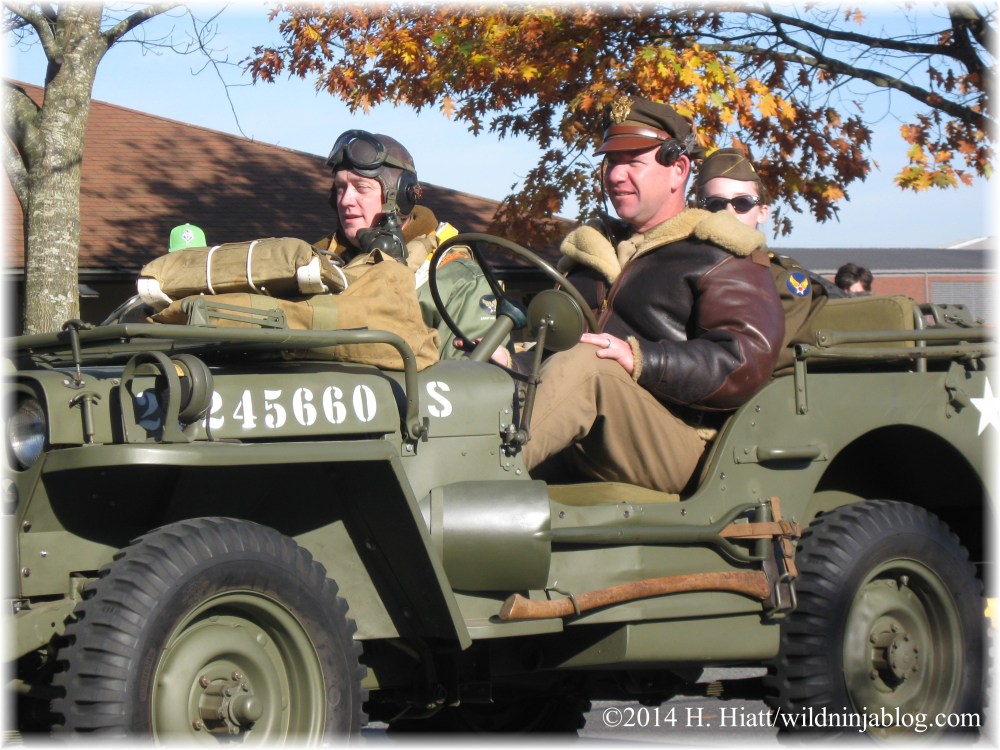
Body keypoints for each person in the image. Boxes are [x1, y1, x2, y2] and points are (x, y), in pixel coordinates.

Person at [519, 96, 785, 493]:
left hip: (679, 441)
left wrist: (642, 359)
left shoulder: (720, 254)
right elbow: (550, 348)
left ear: (678, 170)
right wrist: (511, 356)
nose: (616, 175)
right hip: (582, 429)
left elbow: (741, 360)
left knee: (591, 364)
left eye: (633, 161)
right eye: (611, 161)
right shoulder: (588, 256)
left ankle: (465, 483)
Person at [313, 129, 506, 359]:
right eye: (340, 188)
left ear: (401, 196)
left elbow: (467, 384)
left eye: (361, 188)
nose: (345, 200)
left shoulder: (457, 281)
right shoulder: (318, 266)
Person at [695, 148, 837, 373]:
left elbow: (756, 359)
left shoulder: (781, 279)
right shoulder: (683, 267)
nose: (728, 213)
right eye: (715, 204)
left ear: (762, 212)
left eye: (742, 203)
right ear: (699, 210)